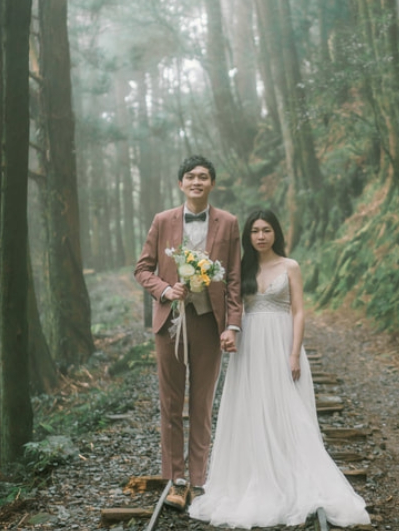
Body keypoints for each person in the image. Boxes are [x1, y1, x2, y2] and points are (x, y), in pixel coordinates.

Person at [189, 209, 370, 528]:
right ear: (247, 236)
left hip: (281, 340)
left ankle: (291, 475)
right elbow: (231, 305)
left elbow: (299, 312)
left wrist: (294, 353)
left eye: (266, 230)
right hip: (250, 345)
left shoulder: (290, 267)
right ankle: (252, 475)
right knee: (252, 408)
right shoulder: (240, 268)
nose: (260, 236)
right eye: (255, 231)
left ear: (276, 234)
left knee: (285, 408)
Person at [134, 155, 243, 510]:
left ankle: (199, 478)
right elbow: (143, 268)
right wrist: (166, 290)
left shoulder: (228, 223)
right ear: (181, 183)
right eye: (190, 177)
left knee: (202, 403)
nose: (197, 182)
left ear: (212, 183)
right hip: (171, 323)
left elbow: (236, 279)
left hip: (209, 322)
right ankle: (175, 480)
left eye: (204, 177)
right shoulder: (163, 221)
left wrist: (232, 324)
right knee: (170, 403)